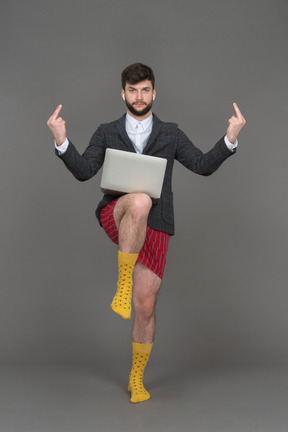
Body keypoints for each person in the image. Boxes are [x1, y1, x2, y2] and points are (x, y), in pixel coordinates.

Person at [47, 63, 246, 403]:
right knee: (139, 199)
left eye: (144, 90)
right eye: (132, 90)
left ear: (154, 93)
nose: (138, 96)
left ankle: (136, 378)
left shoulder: (171, 133)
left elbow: (201, 164)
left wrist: (230, 138)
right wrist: (62, 142)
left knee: (145, 305)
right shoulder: (107, 131)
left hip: (157, 224)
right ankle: (122, 283)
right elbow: (83, 171)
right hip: (118, 214)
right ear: (122, 93)